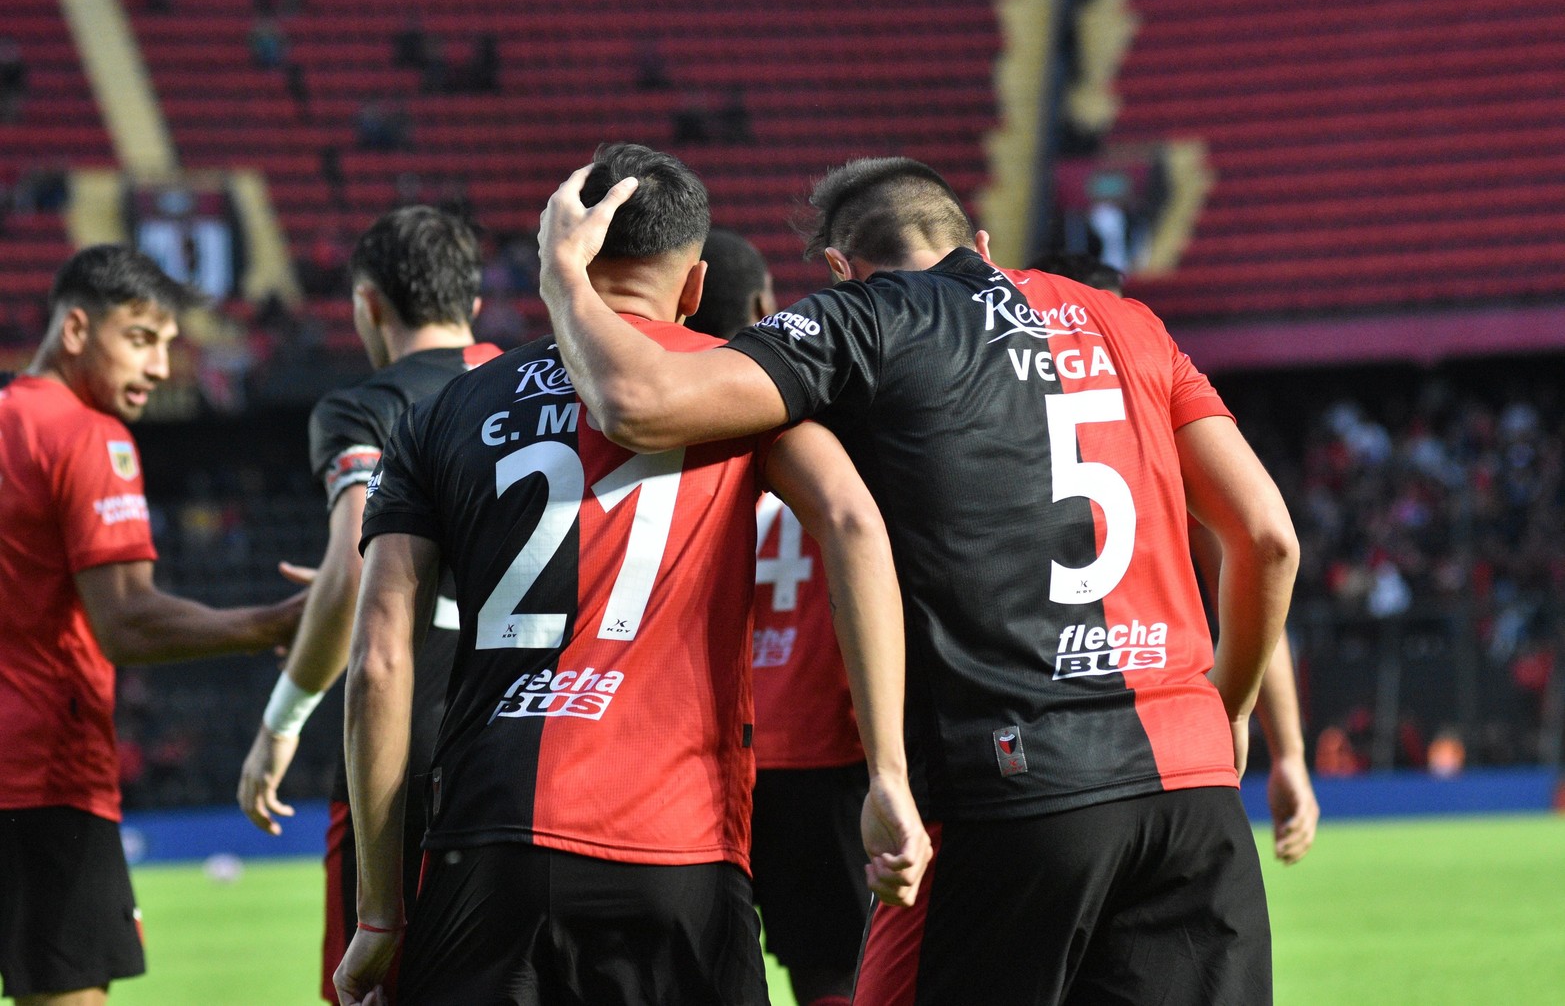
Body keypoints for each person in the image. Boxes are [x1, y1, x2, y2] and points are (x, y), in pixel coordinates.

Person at [538, 154, 1299, 1004]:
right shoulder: (1129, 322)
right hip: (1192, 796)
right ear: (975, 241)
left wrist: (564, 272)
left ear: (836, 267)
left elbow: (638, 405)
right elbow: (1266, 539)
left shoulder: (868, 317)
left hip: (1010, 790)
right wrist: (1224, 709)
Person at [333, 144, 927, 1006]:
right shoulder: (739, 393)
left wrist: (381, 915)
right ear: (693, 286)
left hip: (483, 843)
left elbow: (380, 664)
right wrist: (887, 772)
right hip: (674, 847)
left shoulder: (439, 415)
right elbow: (849, 518)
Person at [0, 245, 308, 1006]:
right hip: (41, 776)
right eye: (141, 337)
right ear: (75, 329)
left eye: (170, 343)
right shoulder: (86, 436)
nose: (162, 365)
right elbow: (128, 623)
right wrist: (268, 623)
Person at [234, 207, 502, 1004]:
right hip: (530, 750)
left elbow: (355, 575)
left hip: (403, 758)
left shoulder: (364, 408)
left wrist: (280, 724)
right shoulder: (538, 382)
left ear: (367, 305)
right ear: (475, 308)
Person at [1034, 249, 1320, 865]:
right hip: (1173, 750)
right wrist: (1257, 729)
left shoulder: (989, 418)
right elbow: (1259, 555)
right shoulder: (1160, 428)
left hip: (1038, 757)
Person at [689, 228, 865, 1006]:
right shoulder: (828, 427)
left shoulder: (668, 432)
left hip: (701, 756)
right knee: (838, 974)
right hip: (824, 751)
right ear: (764, 307)